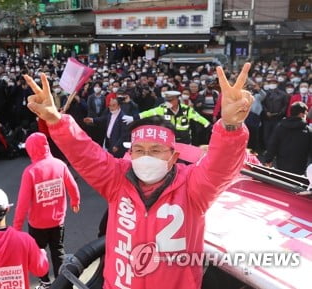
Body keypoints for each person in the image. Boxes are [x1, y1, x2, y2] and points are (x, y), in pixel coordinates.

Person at [22, 62, 252, 289]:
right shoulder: (117, 180)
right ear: (130, 154)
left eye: (155, 150)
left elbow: (220, 168)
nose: (146, 157)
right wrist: (55, 121)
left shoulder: (193, 187)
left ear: (173, 157)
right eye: (139, 150)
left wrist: (231, 127)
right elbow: (84, 152)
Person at [13, 133, 80, 288]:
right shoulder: (60, 164)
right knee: (58, 251)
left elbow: (22, 203)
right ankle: (62, 282)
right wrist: (75, 200)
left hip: (37, 223)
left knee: (38, 253)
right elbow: (72, 185)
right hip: (57, 220)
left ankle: (45, 282)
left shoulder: (30, 171)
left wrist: (17, 227)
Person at [138, 91, 211, 144]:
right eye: (167, 100)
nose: (168, 103)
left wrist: (209, 126)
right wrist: (135, 118)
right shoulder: (163, 108)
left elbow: (199, 118)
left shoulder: (186, 109)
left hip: (184, 140)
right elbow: (148, 113)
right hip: (168, 139)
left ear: (177, 99)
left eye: (170, 100)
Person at [264, 102, 312, 175]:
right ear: (301, 114)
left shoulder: (280, 126)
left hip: (281, 164)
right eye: (305, 112)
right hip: (300, 166)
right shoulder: (308, 131)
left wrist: (268, 160)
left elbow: (273, 144)